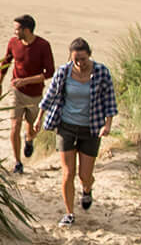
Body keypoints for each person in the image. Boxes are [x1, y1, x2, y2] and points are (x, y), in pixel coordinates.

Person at [39, 36, 117, 225]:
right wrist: (38, 119)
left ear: (89, 55)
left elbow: (110, 101)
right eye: (76, 59)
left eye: (83, 58)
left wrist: (107, 125)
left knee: (84, 175)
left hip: (91, 128)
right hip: (66, 126)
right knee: (68, 172)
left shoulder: (101, 72)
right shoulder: (64, 72)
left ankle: (87, 189)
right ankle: (69, 213)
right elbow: (50, 95)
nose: (80, 63)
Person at [0, 14, 55, 173]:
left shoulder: (43, 45)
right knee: (15, 125)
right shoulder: (13, 43)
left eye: (17, 29)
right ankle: (18, 162)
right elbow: (5, 63)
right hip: (16, 91)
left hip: (35, 94)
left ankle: (29, 141)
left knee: (32, 129)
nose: (14, 32)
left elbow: (49, 72)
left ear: (27, 30)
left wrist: (26, 81)